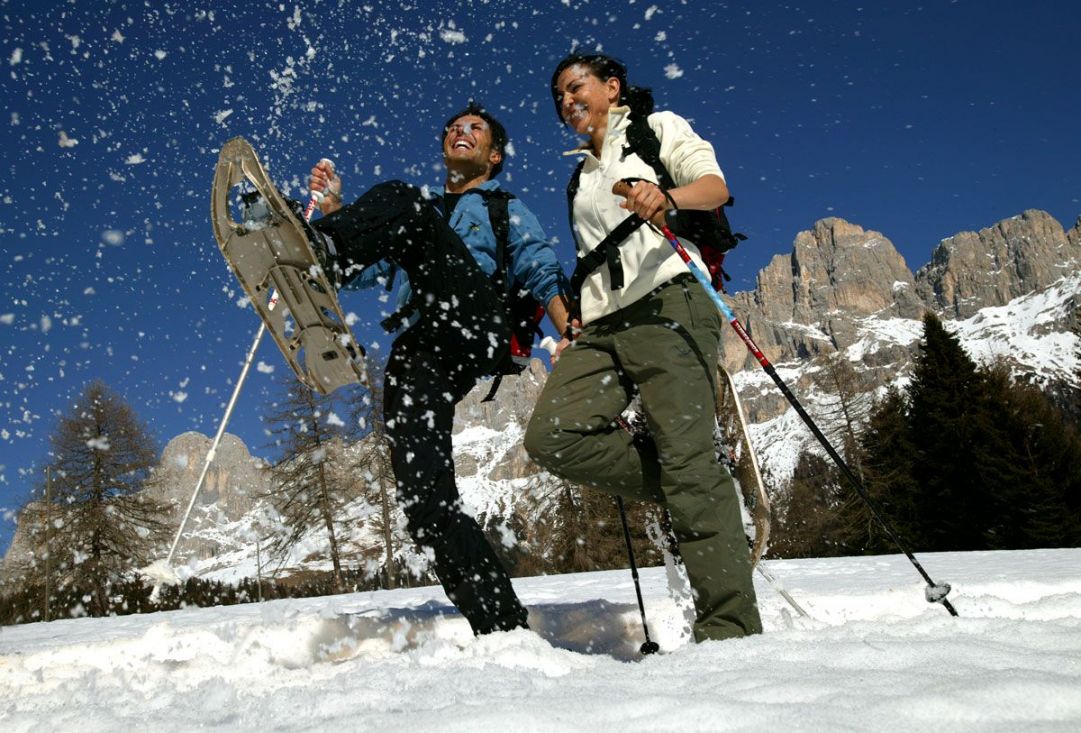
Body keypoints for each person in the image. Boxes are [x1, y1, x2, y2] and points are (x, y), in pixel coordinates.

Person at [303, 102, 571, 635]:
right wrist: (333, 211)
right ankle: (501, 625)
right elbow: (362, 272)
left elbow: (541, 268)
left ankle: (320, 244)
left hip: (476, 319)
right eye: (453, 127)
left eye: (474, 128)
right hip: (421, 345)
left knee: (405, 200)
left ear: (494, 156)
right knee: (424, 497)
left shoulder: (502, 207)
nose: (459, 132)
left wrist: (570, 331)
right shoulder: (414, 216)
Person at [524, 54, 763, 642]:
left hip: (669, 302)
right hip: (602, 326)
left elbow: (716, 188)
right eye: (559, 96)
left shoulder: (656, 130)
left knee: (688, 460)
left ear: (612, 87)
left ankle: (729, 630)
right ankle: (700, 486)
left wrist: (667, 197)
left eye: (576, 87)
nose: (566, 101)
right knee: (552, 436)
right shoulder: (580, 175)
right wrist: (577, 320)